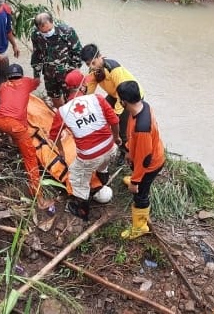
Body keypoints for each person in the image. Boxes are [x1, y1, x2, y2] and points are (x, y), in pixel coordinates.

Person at [49, 69, 121, 221]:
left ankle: (82, 211)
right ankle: (103, 176)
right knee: (104, 161)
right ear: (83, 85)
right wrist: (117, 138)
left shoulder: (63, 111)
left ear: (68, 88)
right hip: (111, 148)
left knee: (76, 177)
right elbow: (114, 121)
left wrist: (61, 152)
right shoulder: (98, 98)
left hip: (89, 157)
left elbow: (54, 137)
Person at [0, 64, 52, 209]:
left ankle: (13, 140)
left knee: (16, 129)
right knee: (30, 158)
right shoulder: (26, 82)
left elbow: (0, 93)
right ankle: (38, 197)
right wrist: (37, 68)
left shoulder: (4, 86)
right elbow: (37, 81)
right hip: (14, 126)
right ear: (21, 75)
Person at [116, 80, 165, 239]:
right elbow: (135, 139)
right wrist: (130, 150)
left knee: (140, 196)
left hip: (150, 164)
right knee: (138, 175)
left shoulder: (142, 127)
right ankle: (136, 179)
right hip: (146, 154)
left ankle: (140, 227)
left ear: (124, 101)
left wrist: (136, 182)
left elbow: (145, 159)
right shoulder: (142, 106)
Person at [80, 43, 143, 164]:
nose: (92, 67)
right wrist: (85, 103)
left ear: (99, 57)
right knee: (101, 113)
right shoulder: (94, 72)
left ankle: (124, 152)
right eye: (88, 64)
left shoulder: (114, 70)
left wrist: (116, 114)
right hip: (115, 94)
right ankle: (107, 143)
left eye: (93, 63)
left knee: (121, 128)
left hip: (128, 96)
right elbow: (91, 88)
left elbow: (122, 93)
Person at [30, 12, 83, 108]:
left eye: (49, 30)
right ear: (38, 29)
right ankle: (61, 116)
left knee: (72, 101)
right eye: (44, 32)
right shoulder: (36, 35)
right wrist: (36, 75)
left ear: (52, 22)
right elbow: (37, 55)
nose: (47, 33)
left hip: (68, 74)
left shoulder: (67, 32)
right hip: (49, 74)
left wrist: (72, 71)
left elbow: (79, 53)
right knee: (54, 97)